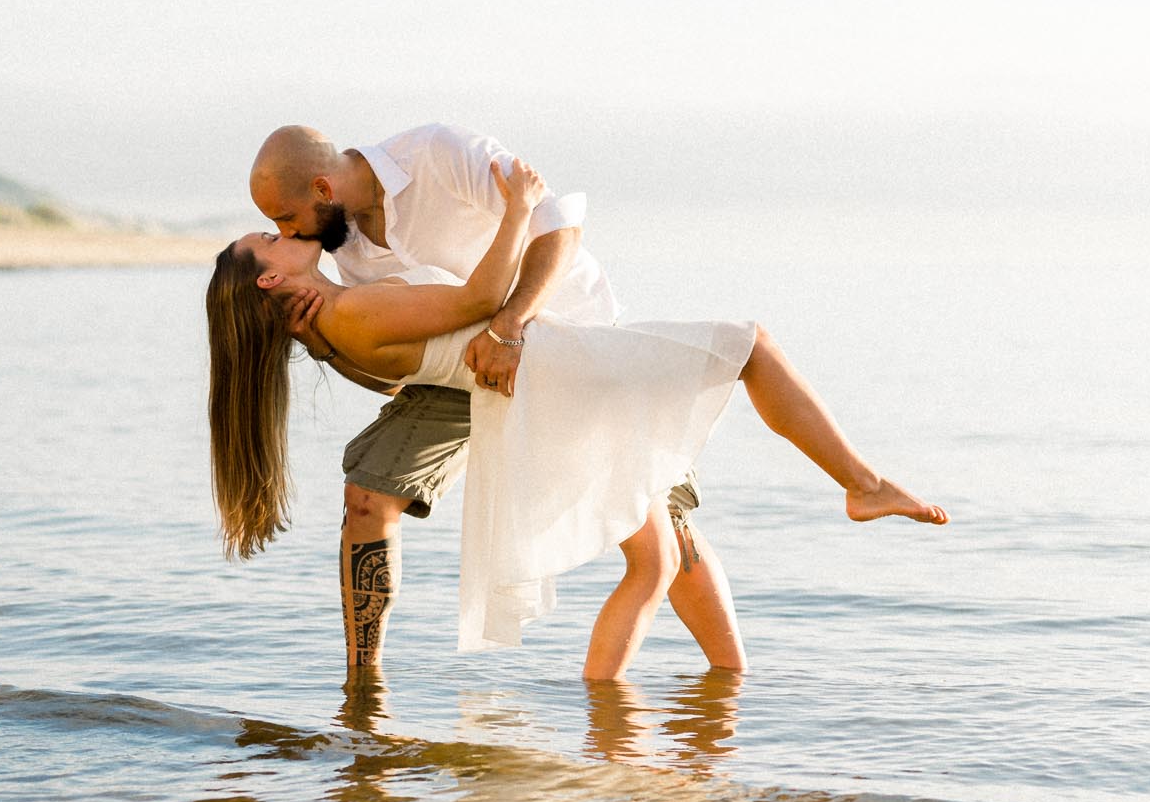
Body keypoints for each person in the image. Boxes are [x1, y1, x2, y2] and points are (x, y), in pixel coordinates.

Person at [212, 139, 947, 679]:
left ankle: (674, 696)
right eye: (276, 235)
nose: (293, 232)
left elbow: (548, 241)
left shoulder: (426, 164)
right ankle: (855, 488)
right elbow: (461, 311)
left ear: (320, 185)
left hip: (554, 337)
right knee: (745, 351)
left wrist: (505, 301)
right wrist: (516, 212)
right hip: (536, 372)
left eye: (284, 220)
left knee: (658, 549)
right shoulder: (340, 285)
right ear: (272, 283)